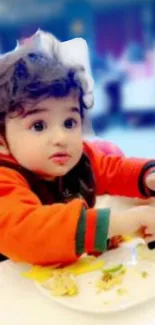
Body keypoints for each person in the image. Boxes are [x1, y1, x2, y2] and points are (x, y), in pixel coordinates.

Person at [0, 30, 155, 266]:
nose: (61, 137)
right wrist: (122, 223)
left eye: (70, 122)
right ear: (2, 139)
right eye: (39, 125)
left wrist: (147, 176)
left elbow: (112, 168)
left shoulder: (77, 157)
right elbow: (28, 232)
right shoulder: (4, 179)